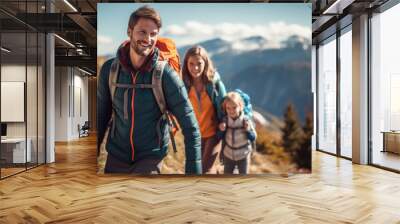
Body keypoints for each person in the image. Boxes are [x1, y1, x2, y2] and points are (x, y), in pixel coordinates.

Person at [97, 6, 202, 174]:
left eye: (153, 34)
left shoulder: (165, 75)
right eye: (142, 32)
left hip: (150, 158)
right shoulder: (110, 70)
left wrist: (193, 176)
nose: (148, 39)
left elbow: (191, 128)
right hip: (116, 156)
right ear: (129, 32)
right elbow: (100, 118)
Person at [181, 46, 226, 174]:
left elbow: (223, 106)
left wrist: (223, 121)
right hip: (194, 136)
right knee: (194, 171)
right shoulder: (184, 85)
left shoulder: (214, 84)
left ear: (205, 63)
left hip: (213, 134)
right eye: (191, 64)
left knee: (205, 171)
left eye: (199, 64)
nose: (195, 68)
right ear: (186, 64)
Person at [219, 92, 256, 174]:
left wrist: (248, 130)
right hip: (228, 155)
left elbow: (253, 137)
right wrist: (221, 130)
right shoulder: (225, 120)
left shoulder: (245, 121)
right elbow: (219, 137)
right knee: (227, 177)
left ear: (241, 107)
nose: (231, 111)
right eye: (228, 108)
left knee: (242, 178)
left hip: (243, 156)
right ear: (225, 108)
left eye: (234, 107)